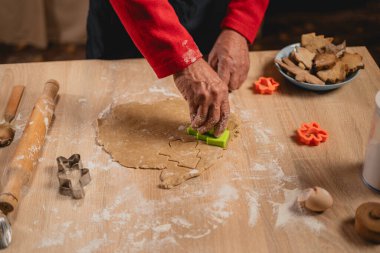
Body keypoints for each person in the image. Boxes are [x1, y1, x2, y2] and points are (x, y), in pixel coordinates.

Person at [87, 0, 269, 136]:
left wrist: (239, 25)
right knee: (111, 96)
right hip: (132, 14)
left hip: (211, 8)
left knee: (211, 88)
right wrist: (184, 57)